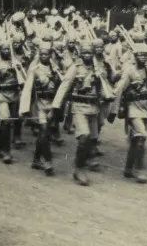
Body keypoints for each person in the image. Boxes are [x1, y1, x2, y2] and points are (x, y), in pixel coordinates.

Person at [50, 42, 109, 186]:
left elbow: (104, 87)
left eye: (90, 53)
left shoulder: (98, 68)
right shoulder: (75, 68)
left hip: (94, 107)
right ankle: (79, 169)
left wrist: (103, 78)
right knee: (84, 136)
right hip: (79, 107)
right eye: (85, 53)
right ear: (81, 55)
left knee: (93, 138)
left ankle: (87, 160)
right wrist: (55, 106)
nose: (88, 56)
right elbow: (64, 86)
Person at [110, 43, 147, 184]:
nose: (143, 57)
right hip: (133, 107)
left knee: (137, 140)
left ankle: (128, 168)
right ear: (135, 56)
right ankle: (140, 170)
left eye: (145, 55)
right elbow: (120, 89)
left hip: (145, 108)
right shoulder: (129, 71)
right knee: (141, 136)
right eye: (140, 55)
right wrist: (114, 109)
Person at [19, 41, 60, 175]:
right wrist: (24, 110)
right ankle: (48, 161)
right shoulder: (34, 70)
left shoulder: (55, 69)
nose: (44, 56)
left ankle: (36, 159)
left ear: (50, 55)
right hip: (39, 104)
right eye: (41, 54)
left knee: (46, 132)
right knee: (43, 129)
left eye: (46, 54)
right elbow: (27, 89)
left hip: (51, 103)